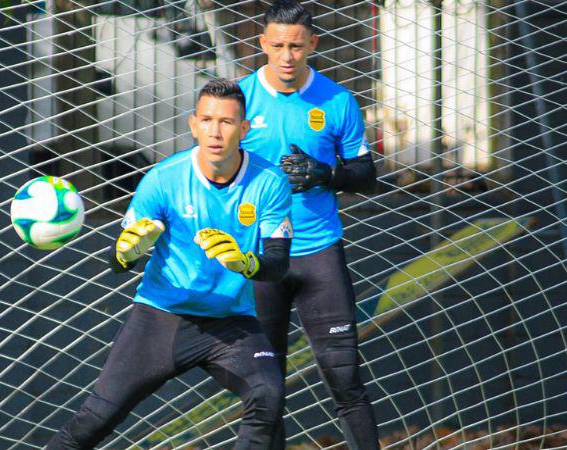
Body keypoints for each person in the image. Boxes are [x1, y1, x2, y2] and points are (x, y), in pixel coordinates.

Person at [46, 79, 294, 449]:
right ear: (193, 125)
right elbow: (116, 261)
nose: (215, 132)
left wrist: (245, 262)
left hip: (231, 320)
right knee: (95, 419)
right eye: (206, 120)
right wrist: (127, 252)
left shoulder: (270, 182)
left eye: (226, 122)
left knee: (268, 394)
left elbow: (277, 263)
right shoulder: (162, 179)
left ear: (244, 128)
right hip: (161, 316)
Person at [237, 1, 380, 449]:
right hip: (259, 258)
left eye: (296, 47)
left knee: (346, 381)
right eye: (277, 45)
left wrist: (326, 174)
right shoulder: (238, 100)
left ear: (312, 44)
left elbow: (366, 175)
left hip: (320, 253)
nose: (286, 56)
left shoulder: (337, 100)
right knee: (265, 389)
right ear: (262, 43)